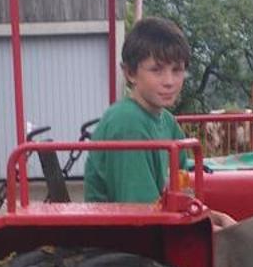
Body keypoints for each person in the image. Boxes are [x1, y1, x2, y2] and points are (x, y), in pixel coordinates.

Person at [83, 16, 234, 227]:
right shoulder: (128, 124)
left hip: (153, 227)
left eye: (177, 70)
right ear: (130, 73)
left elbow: (181, 196)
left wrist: (216, 218)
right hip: (122, 240)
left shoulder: (167, 122)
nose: (169, 82)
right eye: (156, 70)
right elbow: (141, 214)